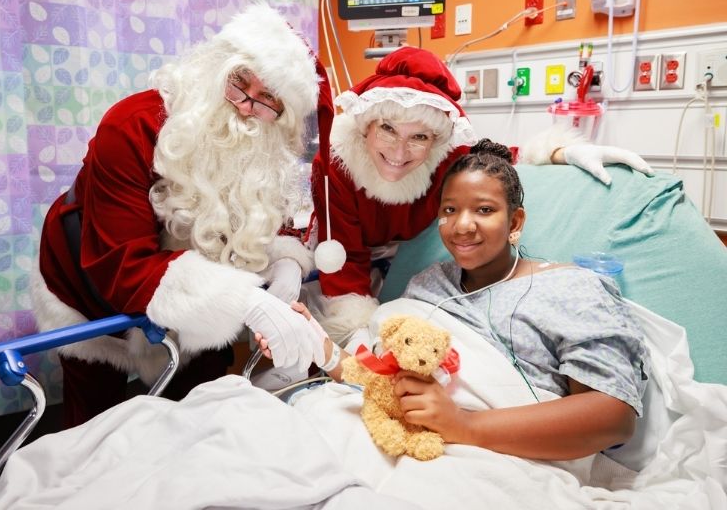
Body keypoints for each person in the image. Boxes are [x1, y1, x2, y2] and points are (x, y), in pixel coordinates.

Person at [258, 139, 649, 461]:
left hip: (491, 454)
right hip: (389, 432)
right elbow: (388, 380)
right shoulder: (431, 283)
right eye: (450, 210)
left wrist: (461, 424)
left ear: (514, 222)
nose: (462, 225)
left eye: (484, 210)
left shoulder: (572, 288)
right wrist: (319, 347)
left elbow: (611, 417)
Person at [32, 3, 329, 427]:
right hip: (86, 282)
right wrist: (246, 300)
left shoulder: (264, 155)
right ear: (215, 67)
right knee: (95, 417)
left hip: (197, 292)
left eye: (267, 101)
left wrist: (284, 263)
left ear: (281, 120)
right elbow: (123, 266)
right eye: (239, 83)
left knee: (202, 404)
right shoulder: (129, 126)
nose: (246, 107)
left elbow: (261, 224)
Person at [305, 46, 653, 344]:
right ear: (366, 125)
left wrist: (564, 152)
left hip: (405, 261)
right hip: (344, 255)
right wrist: (358, 339)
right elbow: (345, 257)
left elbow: (496, 162)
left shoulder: (448, 161)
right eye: (388, 129)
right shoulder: (337, 165)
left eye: (420, 137)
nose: (399, 151)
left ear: (437, 142)